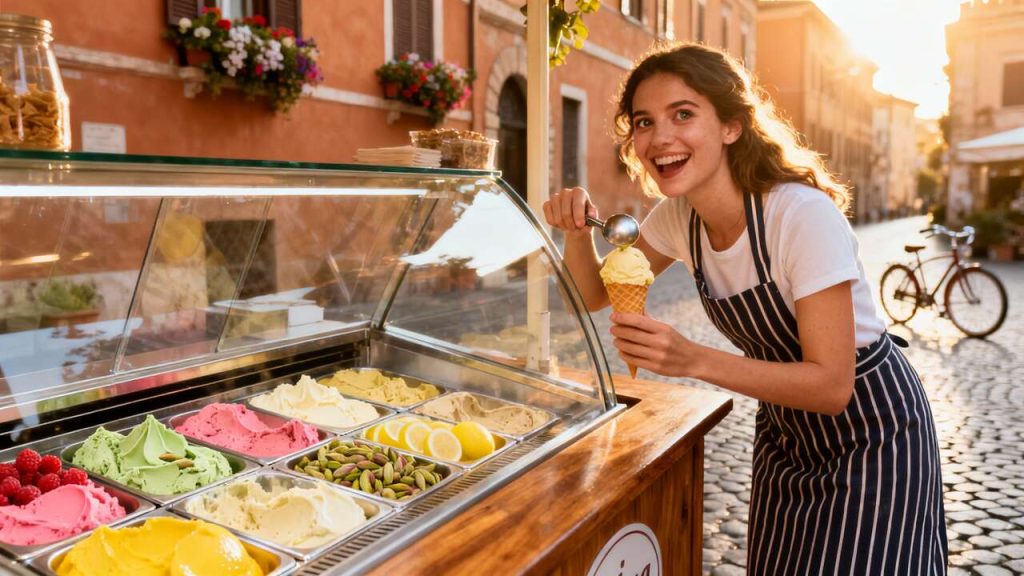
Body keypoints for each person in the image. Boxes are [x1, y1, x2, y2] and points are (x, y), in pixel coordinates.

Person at [543, 43, 947, 575]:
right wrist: (575, 232)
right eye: (644, 122)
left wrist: (693, 360)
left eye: (682, 114)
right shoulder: (678, 218)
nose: (660, 137)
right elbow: (593, 294)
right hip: (786, 433)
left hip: (872, 434)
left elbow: (831, 386)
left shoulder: (799, 215)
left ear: (732, 126)